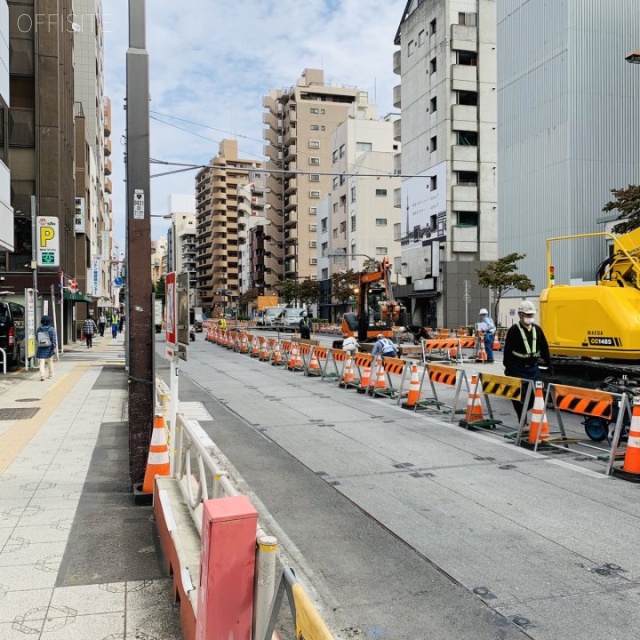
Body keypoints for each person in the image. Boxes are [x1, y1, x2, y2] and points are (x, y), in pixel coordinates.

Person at [503, 300, 553, 421]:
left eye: (532, 315)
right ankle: (522, 421)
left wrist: (549, 363)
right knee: (518, 397)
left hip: (533, 368)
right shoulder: (514, 330)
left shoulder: (537, 329)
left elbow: (544, 348)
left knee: (535, 395)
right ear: (520, 315)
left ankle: (524, 411)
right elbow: (508, 350)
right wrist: (508, 368)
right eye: (527, 315)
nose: (530, 318)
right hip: (517, 368)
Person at [36, 315, 57, 381]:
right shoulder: (51, 329)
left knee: (41, 361)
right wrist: (54, 347)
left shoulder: (39, 329)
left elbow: (37, 338)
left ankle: (42, 376)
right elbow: (54, 339)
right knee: (50, 361)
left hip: (41, 347)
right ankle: (51, 375)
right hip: (49, 347)